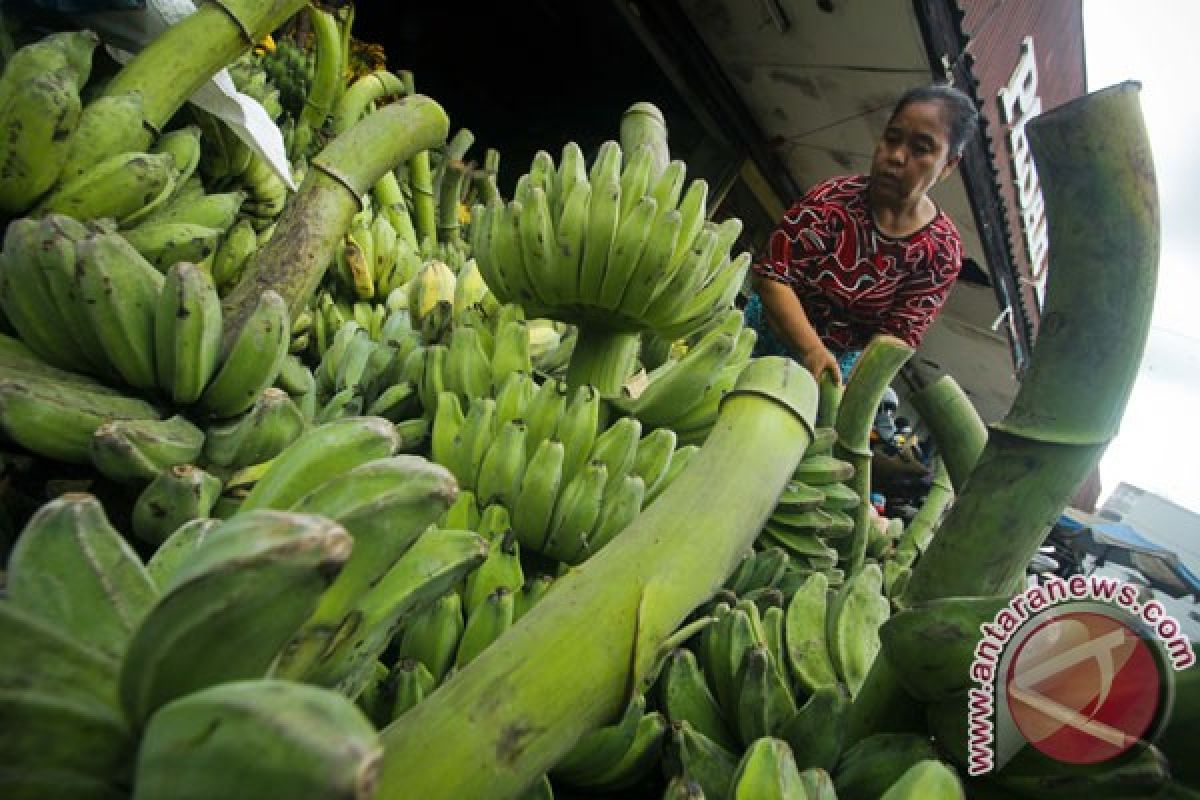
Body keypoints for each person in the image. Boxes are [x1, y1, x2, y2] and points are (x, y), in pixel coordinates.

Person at [744, 83, 979, 383]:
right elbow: (772, 276)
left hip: (834, 374)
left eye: (920, 149)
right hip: (763, 332)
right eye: (892, 138)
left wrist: (854, 391)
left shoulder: (941, 252)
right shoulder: (832, 200)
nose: (895, 156)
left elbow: (897, 337)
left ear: (948, 165)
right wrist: (812, 350)